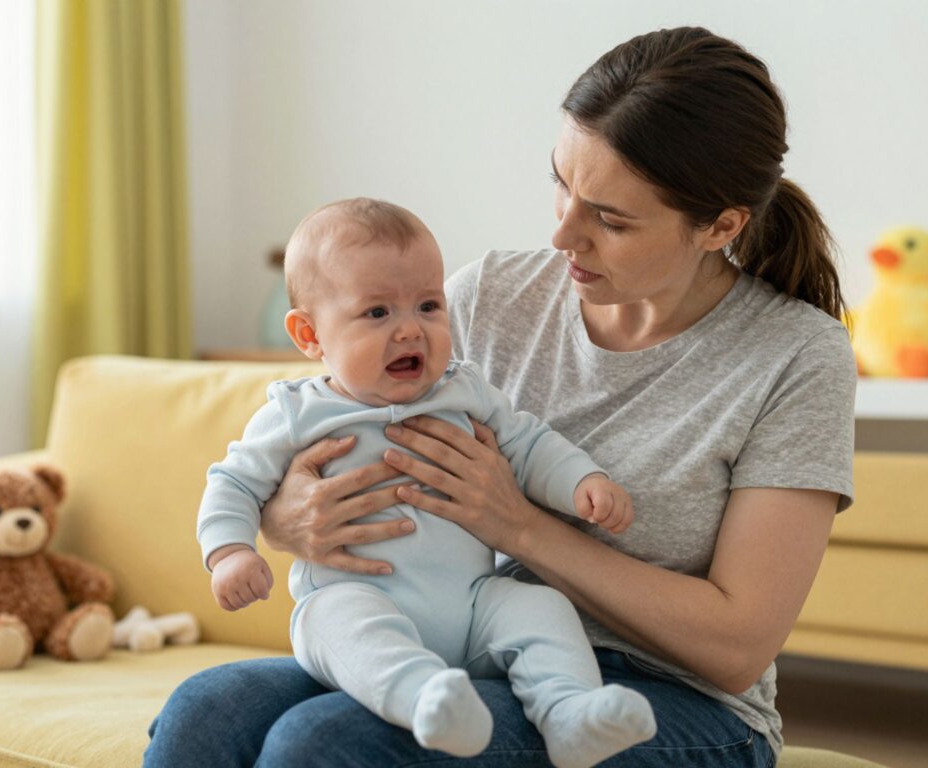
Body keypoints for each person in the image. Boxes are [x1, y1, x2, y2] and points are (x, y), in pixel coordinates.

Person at [146, 26, 855, 768]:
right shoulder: (490, 294)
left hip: (679, 703)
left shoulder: (796, 356)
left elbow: (736, 647)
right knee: (206, 714)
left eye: (609, 219)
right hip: (466, 650)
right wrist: (289, 516)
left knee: (322, 745)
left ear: (721, 226)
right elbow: (329, 426)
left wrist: (518, 525)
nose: (562, 236)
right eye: (562, 184)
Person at [198, 197, 653, 767]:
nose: (410, 329)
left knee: (539, 608)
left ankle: (570, 714)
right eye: (377, 313)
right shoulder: (296, 413)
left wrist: (582, 480)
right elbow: (233, 483)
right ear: (309, 335)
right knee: (334, 624)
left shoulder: (464, 390)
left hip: (470, 604)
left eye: (429, 305)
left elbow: (527, 442)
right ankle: (425, 701)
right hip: (358, 597)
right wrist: (231, 551)